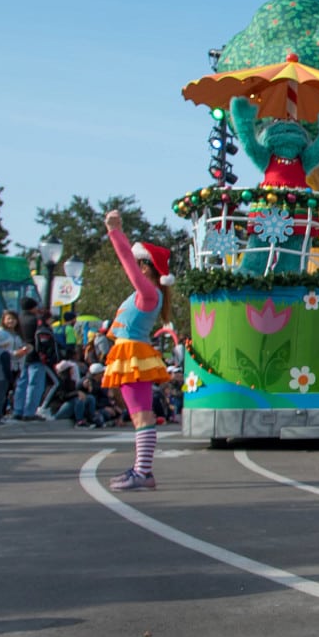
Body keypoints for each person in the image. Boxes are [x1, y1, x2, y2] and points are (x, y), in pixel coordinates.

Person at [99, 209, 174, 491]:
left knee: (142, 415)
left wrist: (115, 232)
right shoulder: (147, 294)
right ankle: (141, 470)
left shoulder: (149, 293)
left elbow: (127, 264)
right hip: (131, 353)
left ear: (146, 267)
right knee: (139, 415)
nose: (136, 268)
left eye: (140, 263)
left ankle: (143, 473)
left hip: (132, 354)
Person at [0, 308, 29, 423]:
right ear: (3, 320)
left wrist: (27, 348)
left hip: (15, 366)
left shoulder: (17, 334)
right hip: (0, 367)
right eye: (8, 319)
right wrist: (17, 353)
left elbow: (21, 347)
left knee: (5, 392)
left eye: (14, 319)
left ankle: (0, 414)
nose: (11, 321)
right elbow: (2, 351)